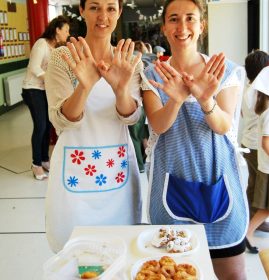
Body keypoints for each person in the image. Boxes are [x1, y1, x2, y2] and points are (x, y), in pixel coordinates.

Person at [141, 0, 248, 279]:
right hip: (170, 186)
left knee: (233, 275)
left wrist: (205, 98)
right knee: (174, 273)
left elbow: (224, 125)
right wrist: (175, 99)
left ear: (202, 25)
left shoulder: (224, 72)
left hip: (220, 184)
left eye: (190, 18)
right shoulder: (152, 76)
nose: (182, 26)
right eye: (174, 19)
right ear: (164, 27)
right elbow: (159, 125)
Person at [45, 0, 143, 253]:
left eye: (111, 8)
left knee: (120, 251)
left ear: (119, 12)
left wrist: (121, 89)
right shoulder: (62, 57)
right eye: (94, 7)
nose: (103, 16)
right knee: (75, 254)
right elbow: (61, 120)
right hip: (73, 170)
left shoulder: (128, 60)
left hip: (116, 169)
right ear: (81, 10)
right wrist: (84, 86)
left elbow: (130, 118)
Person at [22, 15, 70, 180]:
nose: (67, 34)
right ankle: (36, 164)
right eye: (66, 30)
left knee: (48, 126)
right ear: (57, 30)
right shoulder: (41, 44)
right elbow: (34, 67)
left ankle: (44, 159)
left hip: (44, 89)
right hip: (32, 89)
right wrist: (50, 79)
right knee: (41, 126)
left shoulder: (56, 47)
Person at [241, 50, 269, 254]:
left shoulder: (248, 90)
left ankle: (252, 222)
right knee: (259, 189)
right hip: (257, 146)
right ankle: (249, 226)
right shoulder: (261, 93)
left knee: (254, 186)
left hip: (250, 142)